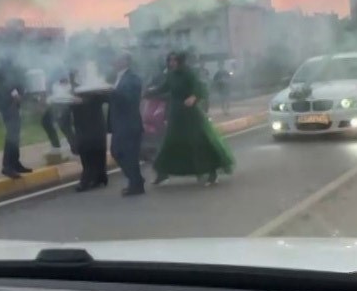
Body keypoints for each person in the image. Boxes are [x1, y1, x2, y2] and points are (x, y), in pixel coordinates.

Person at [151, 52, 234, 186]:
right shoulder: (171, 75)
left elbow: (199, 88)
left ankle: (212, 173)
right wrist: (149, 92)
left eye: (174, 60)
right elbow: (164, 88)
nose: (171, 63)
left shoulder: (189, 74)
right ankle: (163, 173)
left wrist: (194, 97)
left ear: (180, 61)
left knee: (200, 142)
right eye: (170, 60)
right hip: (176, 114)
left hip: (190, 114)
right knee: (170, 143)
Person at [108, 53, 145, 197]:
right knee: (118, 152)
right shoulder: (117, 78)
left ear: (126, 61)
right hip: (119, 124)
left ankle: (136, 183)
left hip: (129, 123)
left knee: (128, 155)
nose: (115, 61)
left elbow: (130, 99)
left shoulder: (133, 78)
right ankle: (136, 181)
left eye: (118, 58)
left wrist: (113, 93)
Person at [0, 58, 32, 179]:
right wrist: (15, 94)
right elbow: (6, 80)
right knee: (12, 134)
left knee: (15, 134)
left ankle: (15, 162)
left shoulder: (13, 60)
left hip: (11, 102)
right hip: (8, 102)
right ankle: (7, 166)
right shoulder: (6, 60)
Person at [71, 79, 108, 193]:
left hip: (94, 128)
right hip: (84, 130)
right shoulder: (72, 94)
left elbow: (106, 97)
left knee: (97, 154)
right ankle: (92, 178)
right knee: (88, 156)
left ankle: (96, 178)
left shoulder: (94, 91)